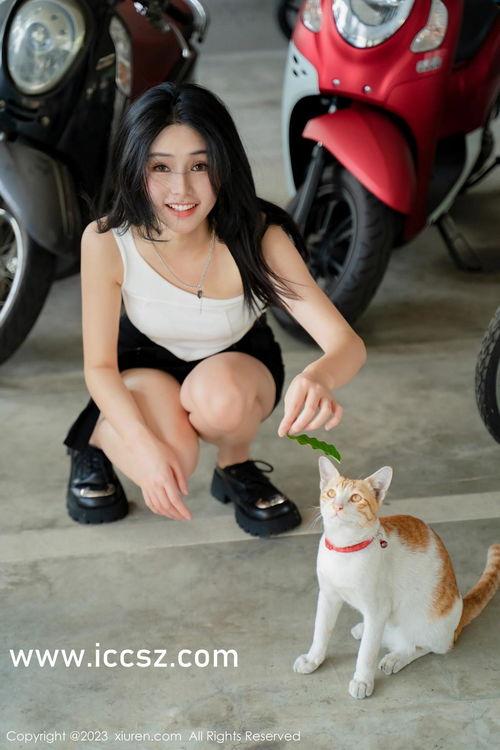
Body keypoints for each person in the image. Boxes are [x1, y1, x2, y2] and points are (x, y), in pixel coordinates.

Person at [63, 82, 366, 537]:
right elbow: (99, 367)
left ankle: (235, 464)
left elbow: (346, 344)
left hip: (237, 360)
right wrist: (143, 447)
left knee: (223, 398)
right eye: (160, 167)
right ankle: (97, 440)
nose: (181, 189)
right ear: (134, 168)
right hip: (143, 361)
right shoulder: (107, 240)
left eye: (199, 165)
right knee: (173, 461)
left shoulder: (260, 236)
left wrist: (320, 376)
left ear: (223, 165)